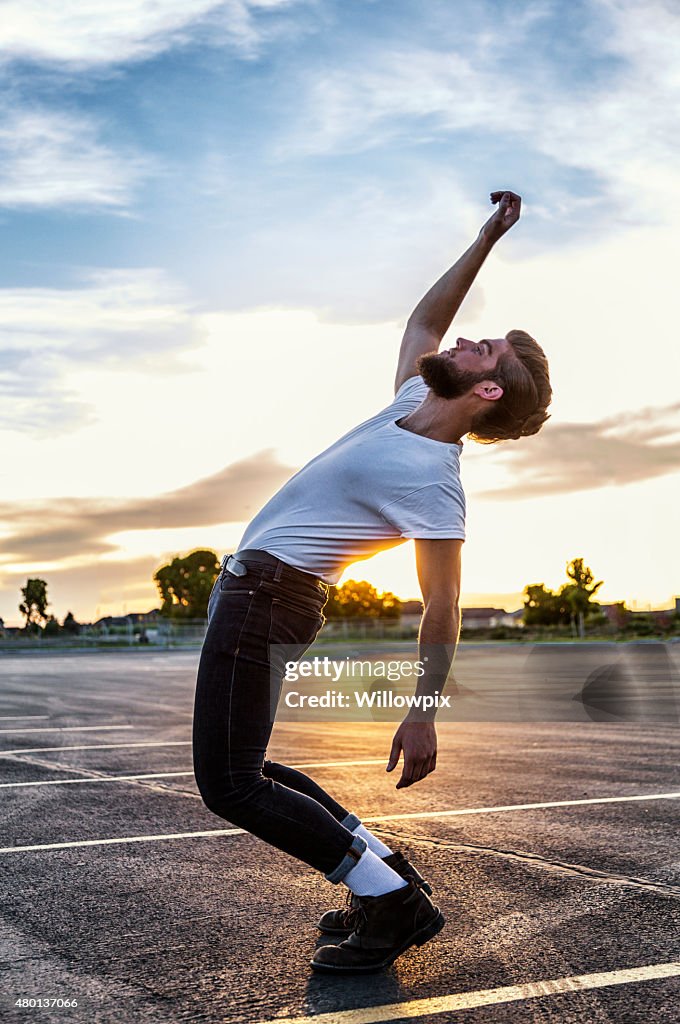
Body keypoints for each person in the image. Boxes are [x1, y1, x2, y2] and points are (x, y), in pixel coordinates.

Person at [192, 190, 552, 974]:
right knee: (251, 771)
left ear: (486, 390)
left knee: (230, 786)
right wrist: (486, 237)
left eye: (483, 349)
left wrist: (422, 716)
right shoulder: (413, 399)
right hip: (256, 592)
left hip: (270, 598)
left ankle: (391, 905)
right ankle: (383, 873)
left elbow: (445, 605)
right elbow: (422, 324)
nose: (462, 340)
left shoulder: (434, 479)